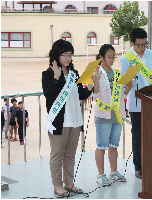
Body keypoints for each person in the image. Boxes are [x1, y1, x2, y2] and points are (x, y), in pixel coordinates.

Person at [42, 39, 92, 197]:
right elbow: (49, 95)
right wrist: (56, 79)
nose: (68, 58)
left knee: (70, 154)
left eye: (70, 55)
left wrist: (90, 87)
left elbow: (80, 95)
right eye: (64, 55)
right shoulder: (48, 74)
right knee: (57, 154)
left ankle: (69, 183)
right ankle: (57, 185)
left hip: (75, 120)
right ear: (56, 55)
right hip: (59, 122)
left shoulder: (74, 74)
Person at [119, 28, 152, 179]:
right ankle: (139, 167)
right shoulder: (125, 59)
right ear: (132, 43)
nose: (143, 48)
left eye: (145, 44)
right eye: (139, 45)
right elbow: (127, 82)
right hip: (137, 103)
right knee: (138, 136)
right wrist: (128, 82)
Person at [92, 44, 132, 186]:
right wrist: (95, 80)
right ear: (101, 57)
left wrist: (128, 88)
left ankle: (113, 172)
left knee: (114, 145)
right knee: (101, 145)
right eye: (109, 57)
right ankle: (101, 175)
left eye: (113, 57)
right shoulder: (98, 72)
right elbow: (94, 95)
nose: (112, 60)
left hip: (117, 113)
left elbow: (122, 94)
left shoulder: (116, 73)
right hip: (103, 114)